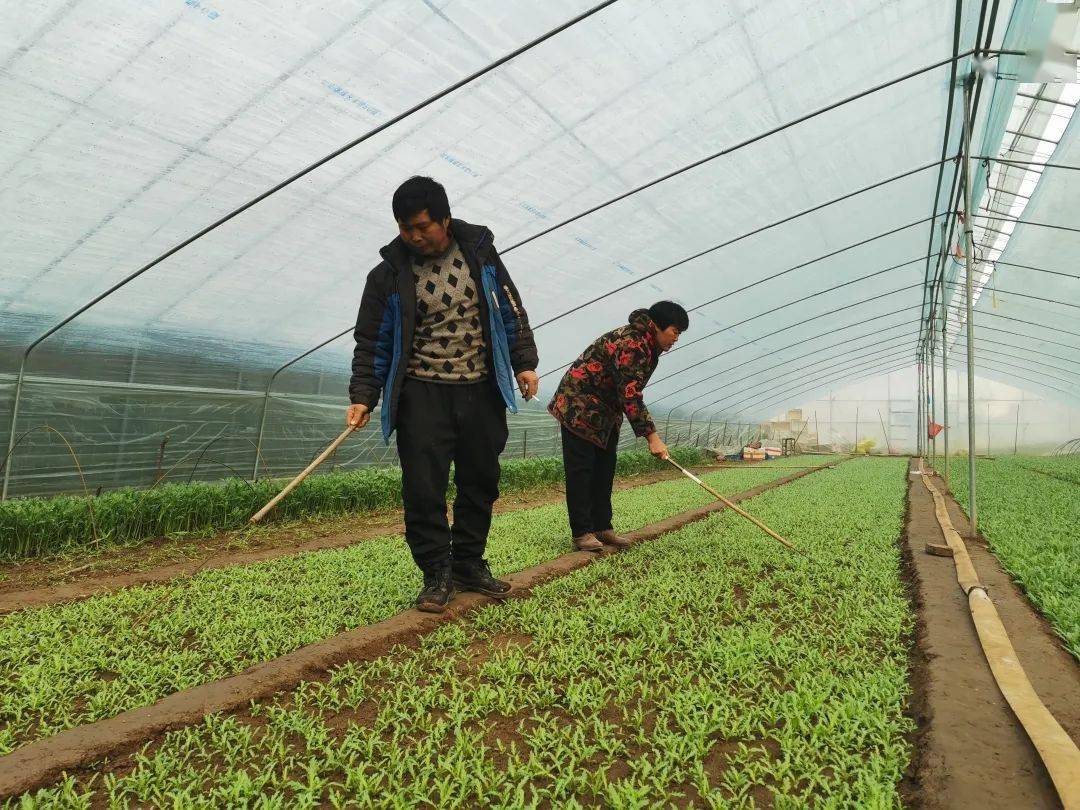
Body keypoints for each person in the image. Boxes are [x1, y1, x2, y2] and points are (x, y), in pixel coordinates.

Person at [346, 176, 539, 613]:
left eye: (422, 226)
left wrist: (524, 361)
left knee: (480, 482)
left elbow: (510, 309)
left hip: (481, 390)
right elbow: (372, 341)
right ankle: (436, 572)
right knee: (422, 489)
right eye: (404, 227)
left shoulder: (482, 255)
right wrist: (363, 394)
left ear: (445, 219)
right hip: (422, 394)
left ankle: (469, 563)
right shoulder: (388, 276)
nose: (414, 236)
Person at [548, 302, 688, 551]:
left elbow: (627, 391)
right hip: (578, 406)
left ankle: (602, 527)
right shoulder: (633, 344)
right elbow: (630, 394)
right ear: (656, 326)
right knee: (582, 471)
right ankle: (582, 532)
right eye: (675, 331)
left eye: (679, 334)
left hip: (605, 412)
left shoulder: (648, 344)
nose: (676, 339)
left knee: (605, 469)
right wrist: (652, 437)